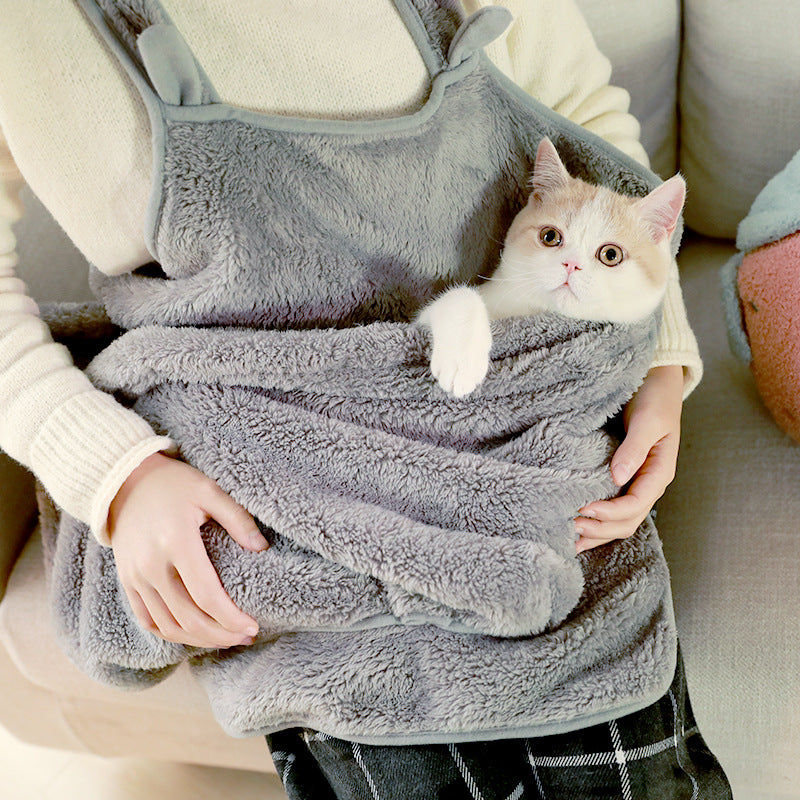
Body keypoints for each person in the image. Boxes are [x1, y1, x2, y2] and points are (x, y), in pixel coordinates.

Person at [0, 1, 728, 797]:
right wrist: (115, 473)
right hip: (278, 457)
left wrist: (660, 357)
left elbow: (584, 119)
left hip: (517, 415)